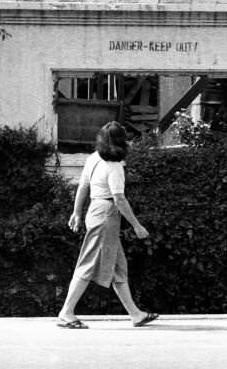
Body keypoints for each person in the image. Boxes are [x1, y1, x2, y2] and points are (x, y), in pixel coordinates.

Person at [57, 121, 159, 330]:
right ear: (121, 142)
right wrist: (137, 226)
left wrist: (77, 213)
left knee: (118, 266)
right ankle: (66, 313)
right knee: (88, 263)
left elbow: (83, 185)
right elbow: (119, 200)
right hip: (106, 215)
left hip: (96, 212)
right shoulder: (115, 167)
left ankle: (135, 314)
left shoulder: (93, 158)